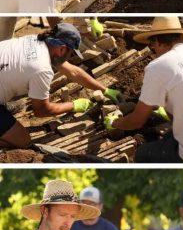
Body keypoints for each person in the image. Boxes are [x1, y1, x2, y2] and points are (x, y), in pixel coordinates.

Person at [106, 16, 183, 164]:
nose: (154, 51)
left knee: (143, 153)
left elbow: (136, 122)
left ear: (157, 42)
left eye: (152, 46)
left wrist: (114, 124)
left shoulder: (157, 66)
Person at [0, 21, 111, 149]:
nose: (69, 58)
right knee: (23, 141)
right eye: (71, 53)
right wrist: (73, 105)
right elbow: (41, 110)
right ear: (62, 49)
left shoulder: (35, 41)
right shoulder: (41, 69)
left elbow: (73, 72)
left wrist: (104, 89)